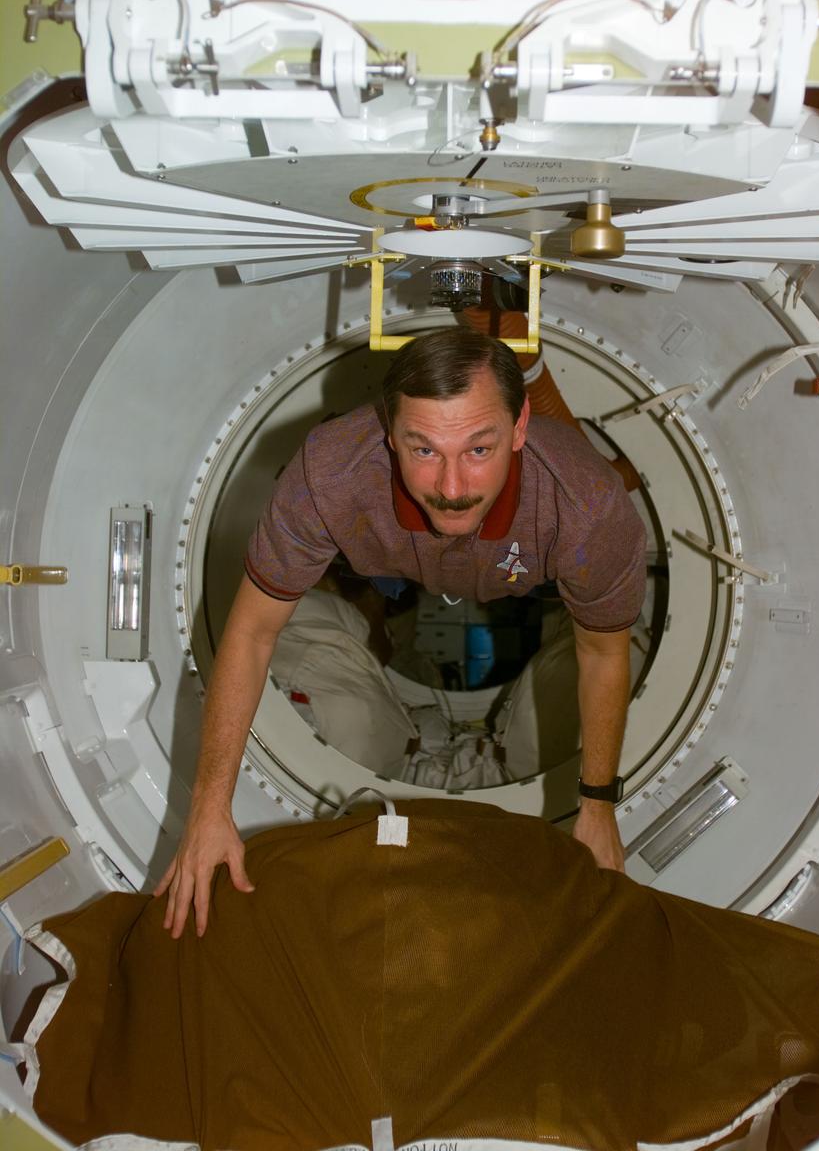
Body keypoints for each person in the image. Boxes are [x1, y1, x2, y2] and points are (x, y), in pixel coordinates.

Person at [155, 328, 647, 938]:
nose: (451, 485)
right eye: (422, 449)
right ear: (388, 431)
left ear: (521, 427)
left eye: (478, 449)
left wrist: (597, 806)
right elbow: (252, 632)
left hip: (546, 591)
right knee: (298, 623)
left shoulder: (585, 505)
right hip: (384, 579)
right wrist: (210, 806)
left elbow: (602, 652)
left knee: (599, 651)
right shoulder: (331, 474)